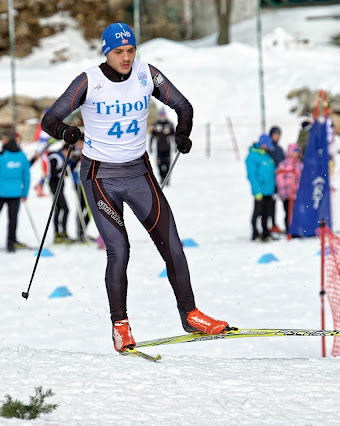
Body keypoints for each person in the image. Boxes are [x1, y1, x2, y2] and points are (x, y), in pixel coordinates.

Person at [40, 22, 229, 353]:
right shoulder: (89, 81)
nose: (126, 58)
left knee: (171, 243)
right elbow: (49, 120)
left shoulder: (147, 75)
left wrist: (182, 133)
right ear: (106, 52)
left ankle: (191, 314)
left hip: (139, 173)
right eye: (118, 52)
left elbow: (183, 106)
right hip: (100, 177)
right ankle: (120, 326)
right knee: (120, 248)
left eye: (130, 51)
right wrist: (66, 132)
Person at [246, 134, 277, 242]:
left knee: (266, 213)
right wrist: (256, 191)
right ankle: (255, 234)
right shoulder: (252, 156)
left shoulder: (266, 156)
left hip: (269, 190)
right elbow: (252, 176)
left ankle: (265, 233)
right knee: (257, 212)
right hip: (260, 191)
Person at [48, 143, 74, 243]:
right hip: (54, 185)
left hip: (60, 184)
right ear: (65, 150)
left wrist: (73, 163)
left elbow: (66, 173)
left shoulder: (63, 158)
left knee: (59, 209)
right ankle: (60, 233)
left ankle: (61, 233)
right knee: (64, 209)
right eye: (71, 153)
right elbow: (53, 173)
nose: (71, 155)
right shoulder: (55, 157)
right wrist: (63, 166)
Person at [275, 144, 304, 233]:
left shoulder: (300, 165)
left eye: (297, 152)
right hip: (287, 194)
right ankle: (289, 229)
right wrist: (282, 192)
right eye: (294, 152)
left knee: (297, 212)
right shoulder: (284, 164)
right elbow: (280, 178)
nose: (295, 154)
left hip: (297, 194)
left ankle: (297, 228)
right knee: (288, 212)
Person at [30, 111, 56, 197]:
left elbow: (37, 136)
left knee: (45, 170)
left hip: (43, 150)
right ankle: (39, 187)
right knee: (46, 170)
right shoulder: (46, 124)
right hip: (43, 151)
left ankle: (39, 186)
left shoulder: (44, 124)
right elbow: (41, 137)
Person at [149, 108, 175, 184]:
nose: (162, 116)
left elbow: (173, 136)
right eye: (161, 115)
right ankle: (162, 177)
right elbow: (152, 137)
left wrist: (176, 146)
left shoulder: (169, 124)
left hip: (167, 148)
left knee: (167, 164)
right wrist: (150, 146)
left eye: (163, 115)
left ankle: (167, 179)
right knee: (159, 164)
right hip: (159, 149)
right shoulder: (156, 124)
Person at [267, 126, 285, 233]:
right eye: (274, 134)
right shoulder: (267, 149)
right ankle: (268, 224)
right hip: (269, 181)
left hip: (279, 181)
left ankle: (274, 224)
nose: (276, 137)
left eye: (278, 135)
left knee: (275, 203)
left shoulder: (279, 149)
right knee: (267, 204)